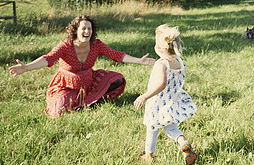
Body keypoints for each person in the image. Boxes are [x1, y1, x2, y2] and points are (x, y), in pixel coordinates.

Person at [9, 15, 155, 118]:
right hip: (66, 86)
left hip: (88, 82)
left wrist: (139, 61)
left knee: (118, 80)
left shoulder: (96, 45)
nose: (87, 31)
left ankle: (88, 100)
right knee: (56, 113)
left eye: (89, 28)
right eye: (83, 28)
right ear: (76, 30)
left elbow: (116, 55)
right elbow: (48, 59)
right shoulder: (66, 45)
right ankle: (84, 102)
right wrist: (27, 67)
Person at [134, 24, 198, 165]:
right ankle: (183, 143)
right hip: (173, 101)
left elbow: (161, 84)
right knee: (172, 128)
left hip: (157, 103)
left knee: (152, 129)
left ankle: (148, 156)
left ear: (158, 47)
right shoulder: (179, 62)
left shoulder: (161, 64)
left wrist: (144, 96)